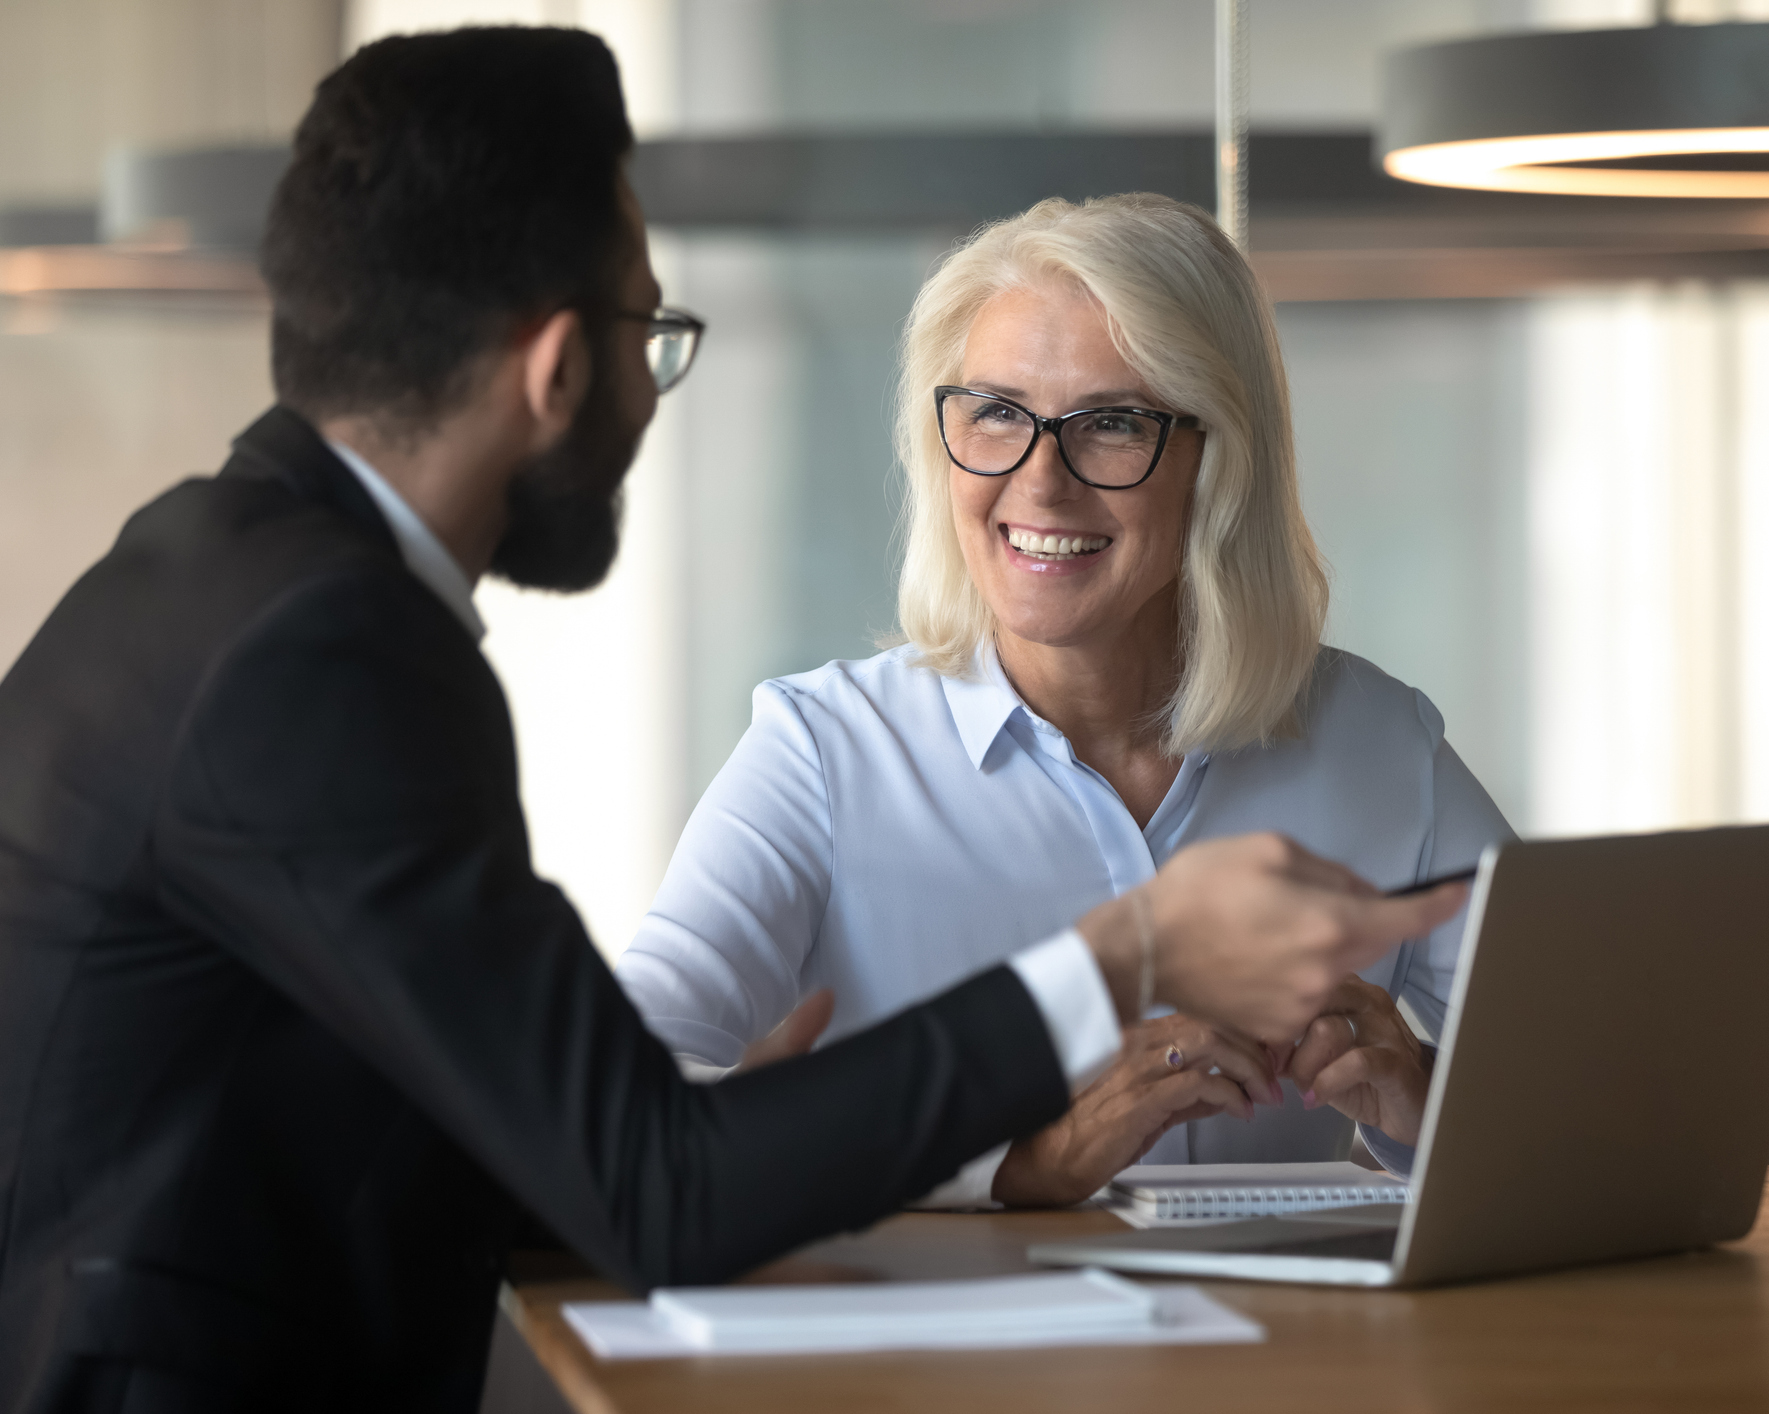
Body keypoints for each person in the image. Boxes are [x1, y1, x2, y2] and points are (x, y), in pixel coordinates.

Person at [0, 32, 1469, 1413]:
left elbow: (546, 1141)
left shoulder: (205, 576)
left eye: (1110, 423)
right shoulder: (320, 651)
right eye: (650, 335)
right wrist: (1129, 953)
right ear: (557, 366)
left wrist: (758, 1133)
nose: (652, 392)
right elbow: (650, 1187)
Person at [617, 193, 1515, 1209]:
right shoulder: (825, 755)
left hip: (1294, 1364)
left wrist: (1429, 1103)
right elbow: (624, 1117)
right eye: (996, 412)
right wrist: (1010, 1162)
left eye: (1113, 423)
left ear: (1219, 461)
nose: (1039, 483)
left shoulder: (1380, 745)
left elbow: (1603, 1086)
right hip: (946, 1365)